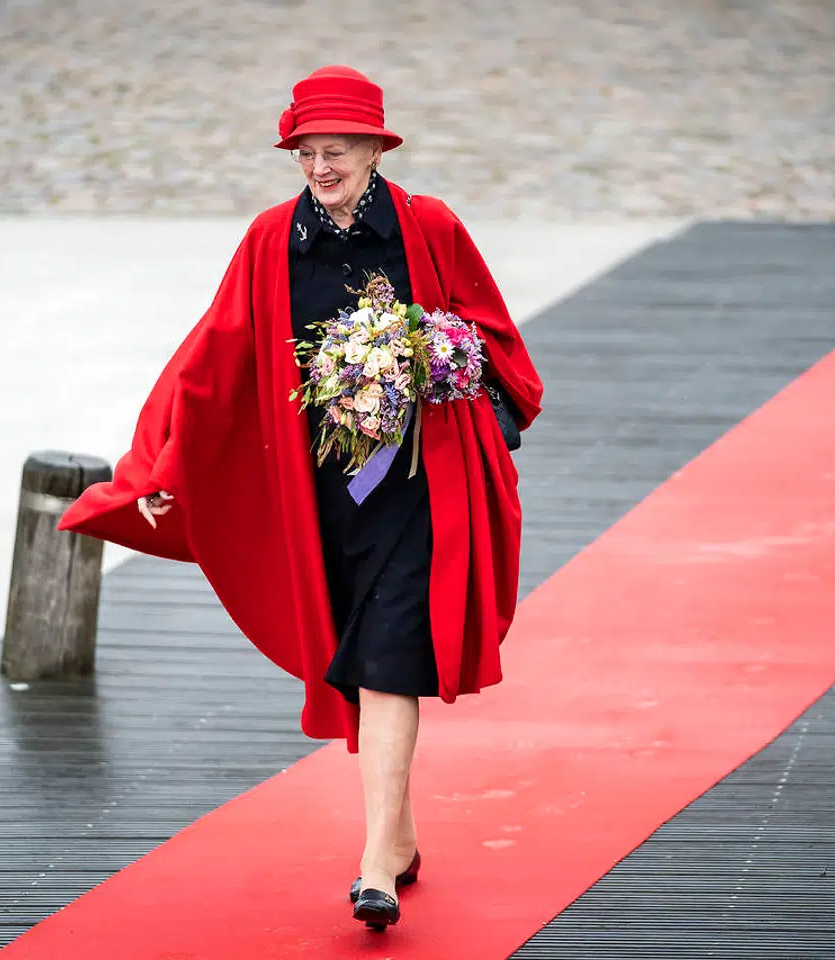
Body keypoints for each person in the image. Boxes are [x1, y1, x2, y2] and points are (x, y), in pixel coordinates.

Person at [57, 65, 543, 931]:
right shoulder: (269, 239)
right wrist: (160, 465)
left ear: (376, 149)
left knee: (390, 656)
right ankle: (400, 836)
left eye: (338, 151)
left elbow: (491, 334)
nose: (322, 167)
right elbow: (211, 359)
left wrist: (444, 365)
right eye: (307, 153)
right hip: (318, 491)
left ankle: (374, 867)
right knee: (359, 662)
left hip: (416, 486)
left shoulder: (430, 226)